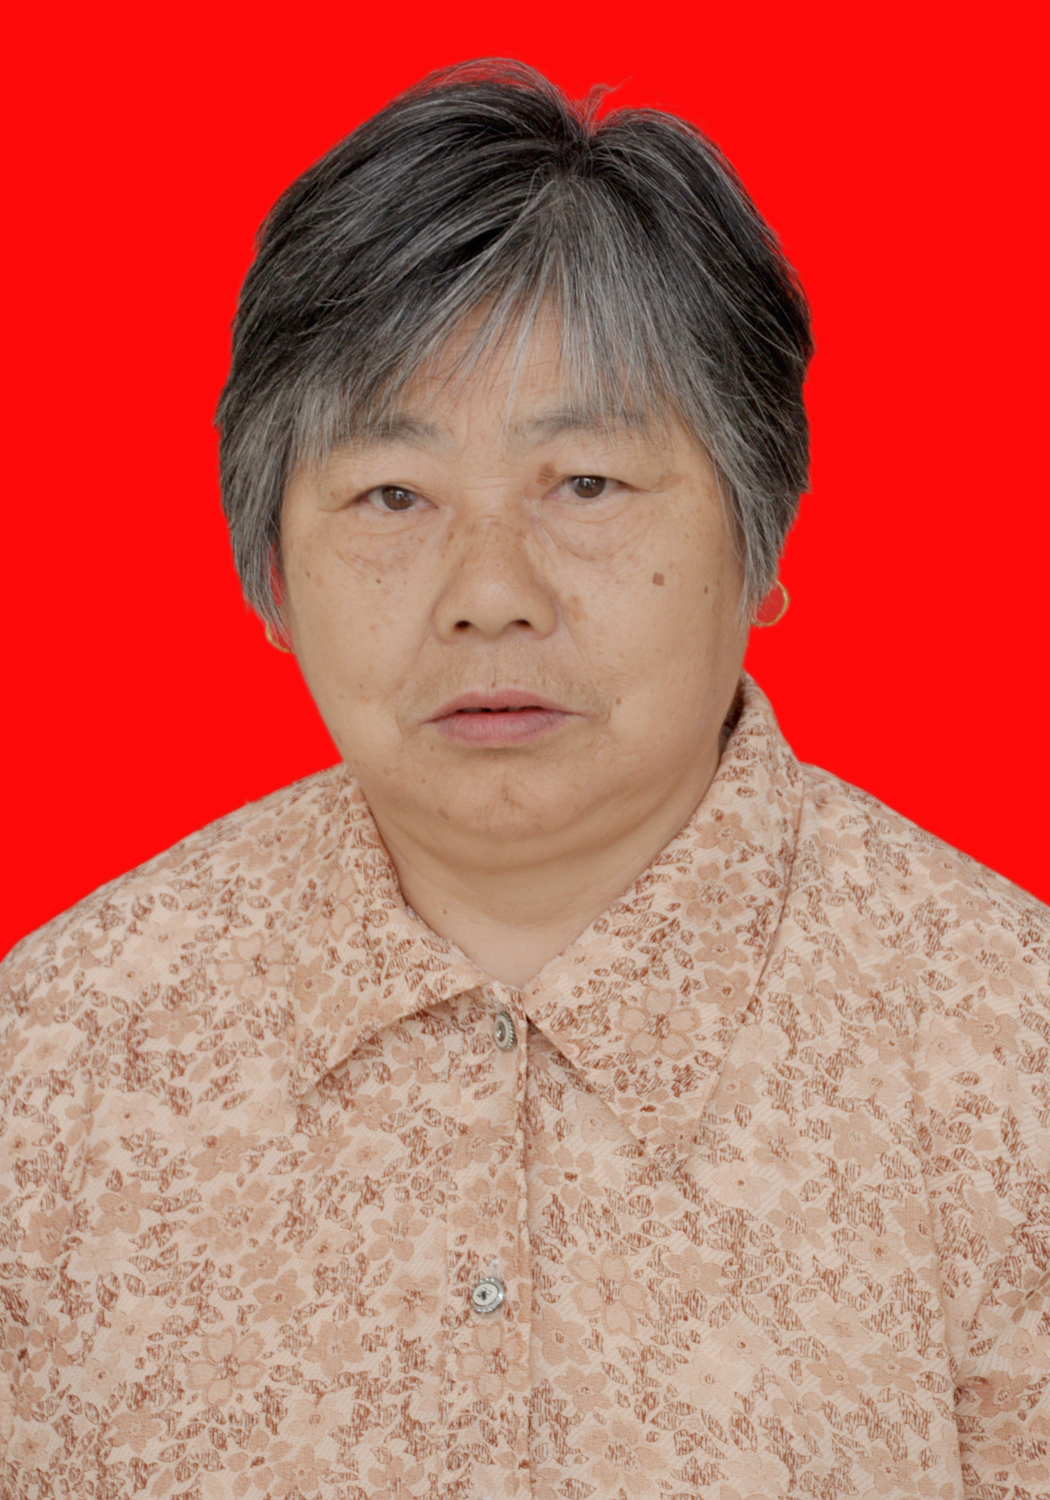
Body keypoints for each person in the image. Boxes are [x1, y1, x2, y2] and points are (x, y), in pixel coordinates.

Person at [1, 58, 1047, 1500]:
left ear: (760, 535)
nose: (488, 593)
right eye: (392, 495)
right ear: (273, 576)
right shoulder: (55, 1060)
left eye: (586, 484)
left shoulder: (1009, 1052)